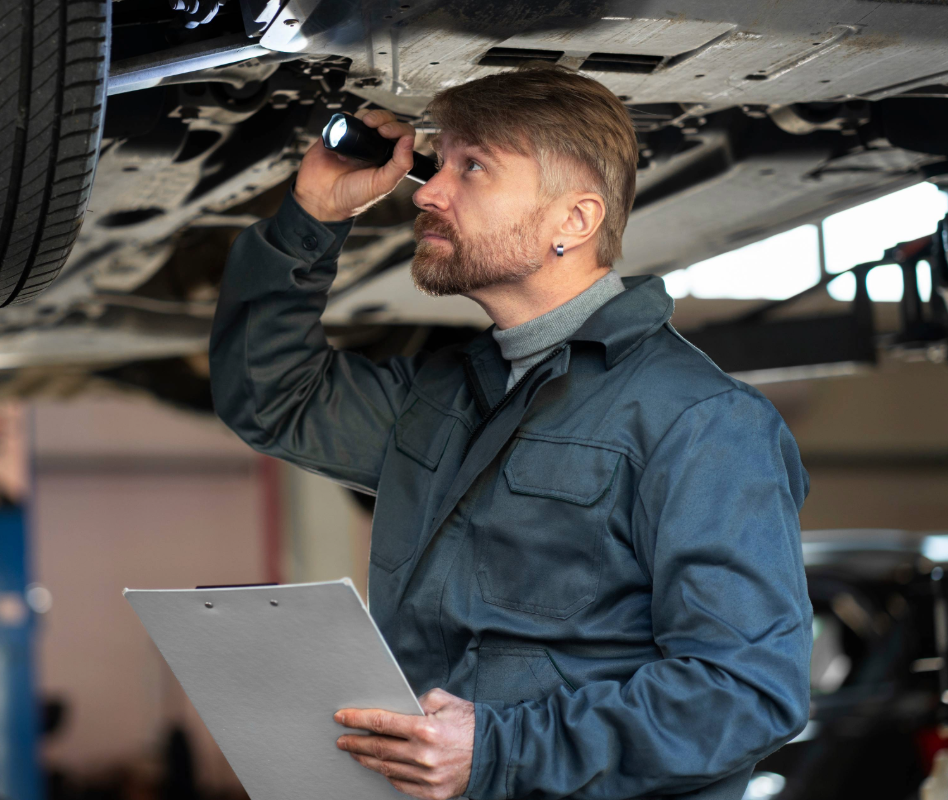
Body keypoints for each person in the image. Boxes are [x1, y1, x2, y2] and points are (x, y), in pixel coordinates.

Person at [209, 66, 812, 800]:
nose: (426, 192)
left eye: (473, 167)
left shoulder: (701, 421)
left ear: (574, 221)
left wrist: (499, 750)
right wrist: (311, 216)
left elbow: (746, 692)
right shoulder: (445, 393)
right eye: (439, 164)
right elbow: (273, 398)